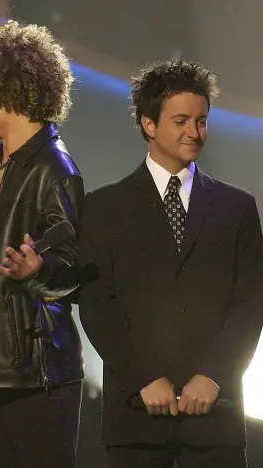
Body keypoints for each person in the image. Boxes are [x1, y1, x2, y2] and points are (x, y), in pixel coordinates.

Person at [78, 59, 263, 468]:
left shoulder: (238, 208)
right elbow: (95, 303)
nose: (194, 132)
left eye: (201, 121)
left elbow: (251, 302)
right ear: (148, 124)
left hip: (216, 417)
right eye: (181, 120)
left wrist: (213, 374)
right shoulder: (104, 207)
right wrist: (141, 377)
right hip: (136, 418)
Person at [0, 20, 84, 468]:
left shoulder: (55, 168)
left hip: (35, 376)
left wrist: (39, 272)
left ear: (7, 91)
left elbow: (72, 266)